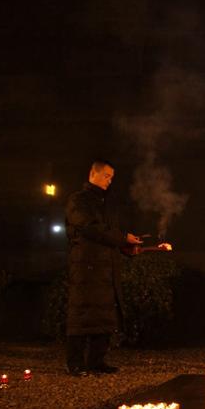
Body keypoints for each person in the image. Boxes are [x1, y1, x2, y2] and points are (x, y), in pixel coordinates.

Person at [64, 159, 141, 376]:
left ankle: (96, 361)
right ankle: (75, 363)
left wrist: (127, 246)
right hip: (86, 268)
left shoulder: (106, 204)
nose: (109, 181)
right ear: (93, 173)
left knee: (105, 316)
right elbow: (91, 228)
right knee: (82, 313)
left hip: (106, 269)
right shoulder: (77, 200)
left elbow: (109, 234)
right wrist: (122, 237)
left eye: (111, 178)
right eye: (107, 176)